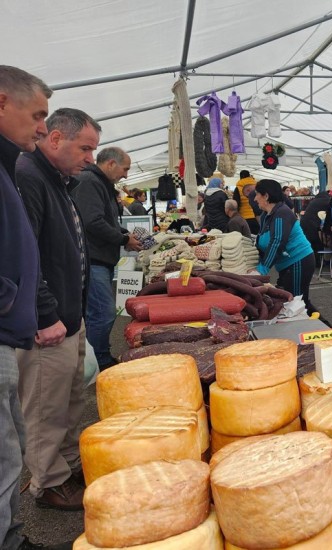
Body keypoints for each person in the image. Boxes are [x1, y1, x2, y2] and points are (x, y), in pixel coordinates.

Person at [0, 66, 75, 550]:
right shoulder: (23, 170)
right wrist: (17, 303)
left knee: (12, 448)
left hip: (12, 332)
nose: (43, 128)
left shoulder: (11, 165)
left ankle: (9, 533)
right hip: (8, 328)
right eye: (38, 115)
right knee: (5, 454)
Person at [15, 107, 101, 515]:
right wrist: (45, 314)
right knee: (45, 408)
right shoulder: (27, 176)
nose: (90, 158)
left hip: (69, 316)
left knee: (69, 401)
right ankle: (48, 482)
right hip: (48, 322)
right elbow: (23, 254)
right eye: (85, 148)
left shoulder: (57, 180)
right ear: (55, 139)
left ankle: (64, 467)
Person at [71, 146, 142, 369]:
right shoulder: (90, 182)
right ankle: (97, 361)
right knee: (103, 313)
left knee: (97, 313)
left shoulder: (100, 183)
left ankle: (94, 359)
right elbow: (92, 222)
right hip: (94, 260)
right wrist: (123, 240)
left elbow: (104, 220)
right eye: (125, 168)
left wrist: (123, 233)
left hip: (100, 259)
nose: (126, 175)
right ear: (111, 163)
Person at [254, 179, 318, 314]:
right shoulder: (268, 215)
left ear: (266, 196)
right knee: (295, 301)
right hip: (288, 264)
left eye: (257, 194)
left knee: (297, 303)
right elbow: (264, 240)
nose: (255, 199)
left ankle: (324, 329)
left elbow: (277, 241)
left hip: (298, 261)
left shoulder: (281, 213)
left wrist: (262, 269)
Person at [299, 190, 332, 262]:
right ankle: (317, 262)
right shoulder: (326, 200)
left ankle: (315, 261)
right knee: (315, 242)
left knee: (310, 242)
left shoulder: (314, 200)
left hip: (304, 222)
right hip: (311, 224)